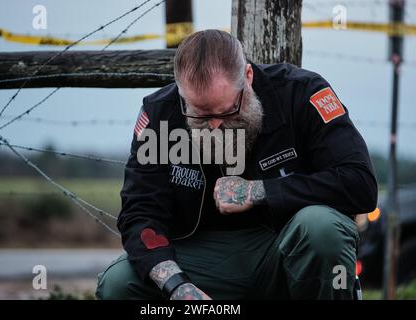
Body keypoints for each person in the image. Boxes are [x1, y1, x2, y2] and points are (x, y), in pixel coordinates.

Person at [95, 30, 377, 300]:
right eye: (200, 115)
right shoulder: (159, 115)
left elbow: (359, 184)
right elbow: (140, 212)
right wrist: (177, 287)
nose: (215, 126)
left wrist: (260, 191)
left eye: (227, 111)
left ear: (248, 77)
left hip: (286, 246)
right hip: (205, 257)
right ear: (182, 96)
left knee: (321, 227)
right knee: (118, 283)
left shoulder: (302, 93)